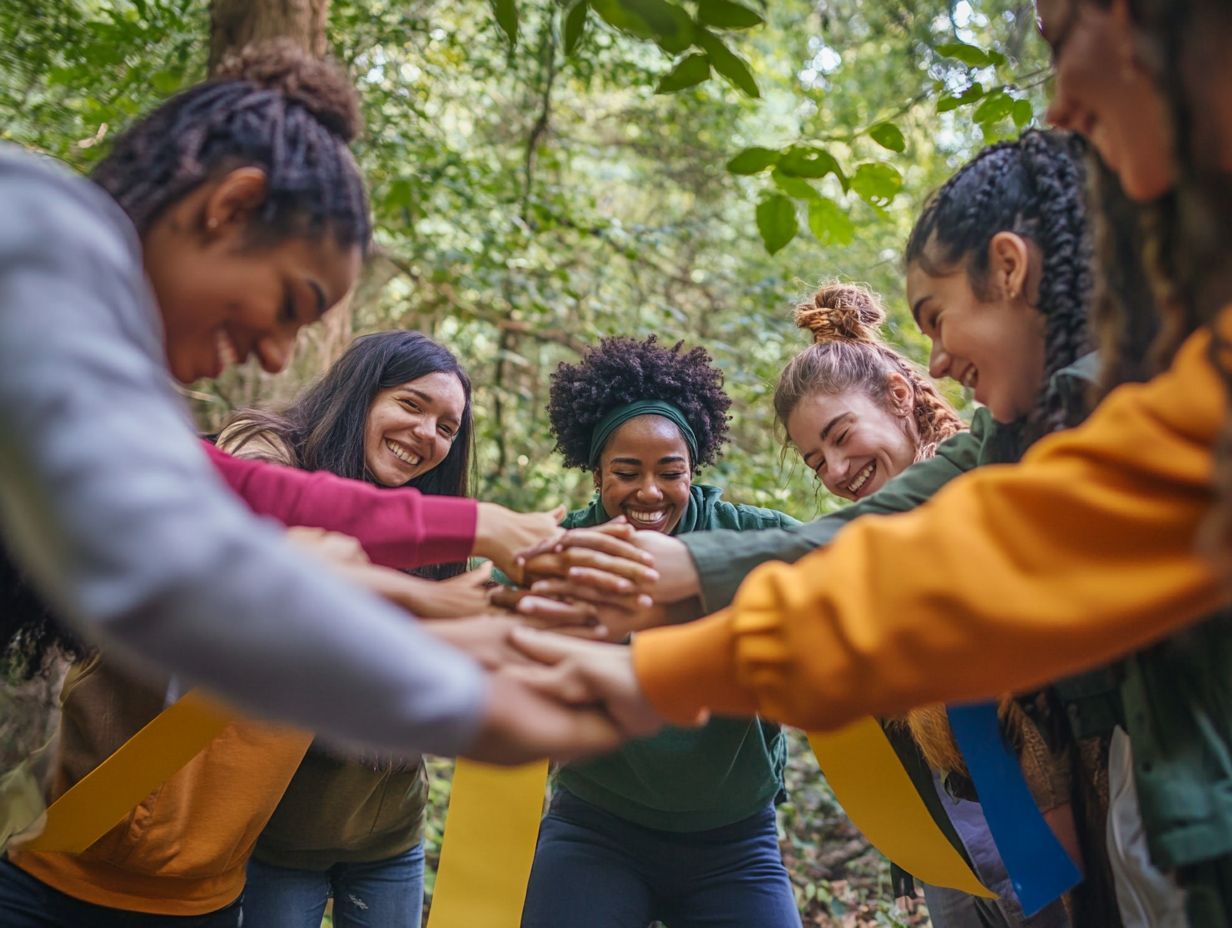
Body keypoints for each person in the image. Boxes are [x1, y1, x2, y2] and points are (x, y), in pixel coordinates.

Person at [510, 2, 1232, 923]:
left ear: (1008, 269)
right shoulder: (1016, 432)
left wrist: (651, 666)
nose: (931, 361)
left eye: (936, 319)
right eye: (817, 457)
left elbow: (919, 565)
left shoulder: (1129, 398)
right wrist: (656, 583)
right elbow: (862, 541)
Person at [0, 37, 618, 878]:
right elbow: (163, 561)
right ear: (231, 207)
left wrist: (473, 534)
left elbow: (221, 488)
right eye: (290, 303)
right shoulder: (37, 233)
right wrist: (456, 687)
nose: (273, 348)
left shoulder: (85, 321)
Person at [513, 336, 802, 928]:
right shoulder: (561, 550)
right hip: (596, 830)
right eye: (626, 472)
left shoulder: (753, 537)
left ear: (693, 471)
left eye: (671, 472)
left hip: (735, 843)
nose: (649, 492)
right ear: (596, 474)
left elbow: (848, 570)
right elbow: (484, 619)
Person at [219, 330, 489, 928]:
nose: (428, 436)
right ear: (360, 392)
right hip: (272, 834)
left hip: (387, 831)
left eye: (448, 428)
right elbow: (265, 557)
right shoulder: (267, 447)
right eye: (411, 405)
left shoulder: (429, 520)